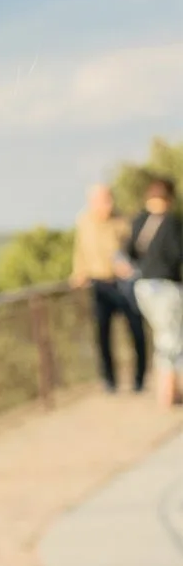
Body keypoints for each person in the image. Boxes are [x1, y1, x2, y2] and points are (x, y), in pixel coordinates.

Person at [70, 184, 147, 393]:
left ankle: (140, 379)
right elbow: (80, 250)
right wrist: (79, 272)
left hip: (124, 284)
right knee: (102, 334)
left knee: (136, 331)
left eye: (106, 199)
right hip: (99, 284)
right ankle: (109, 381)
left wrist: (129, 266)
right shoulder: (84, 222)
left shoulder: (123, 222)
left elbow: (136, 251)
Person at [127, 176, 183, 410]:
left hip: (143, 287)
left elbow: (130, 251)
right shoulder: (172, 223)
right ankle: (169, 392)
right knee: (172, 338)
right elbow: (177, 254)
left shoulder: (140, 221)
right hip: (167, 286)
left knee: (162, 336)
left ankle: (167, 391)